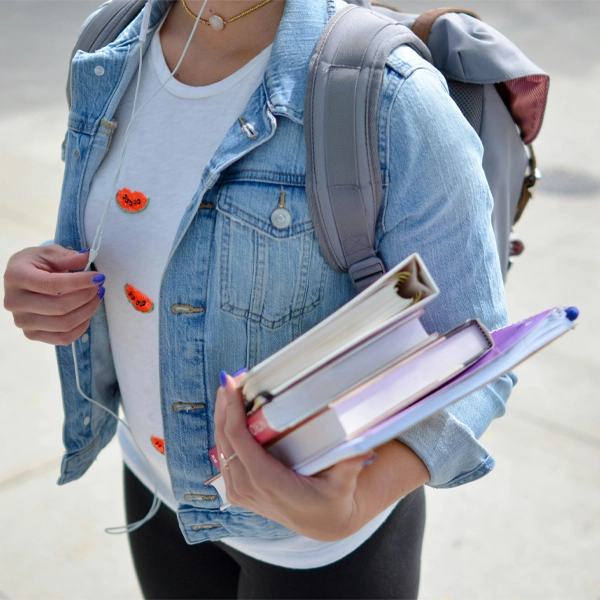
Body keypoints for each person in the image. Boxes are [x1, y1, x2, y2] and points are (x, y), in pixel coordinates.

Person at [2, 0, 514, 598]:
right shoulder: (109, 44)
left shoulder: (390, 96)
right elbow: (143, 230)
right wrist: (44, 279)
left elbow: (474, 352)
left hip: (320, 548)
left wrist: (352, 507)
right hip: (156, 487)